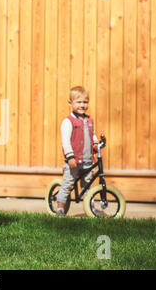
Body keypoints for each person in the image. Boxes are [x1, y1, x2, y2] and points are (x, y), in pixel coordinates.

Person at [57, 86, 99, 216]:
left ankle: (91, 208)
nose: (82, 105)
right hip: (74, 161)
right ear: (70, 103)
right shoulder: (68, 122)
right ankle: (60, 208)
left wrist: (96, 144)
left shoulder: (89, 120)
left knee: (87, 186)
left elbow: (92, 135)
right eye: (78, 102)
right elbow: (66, 141)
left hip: (87, 160)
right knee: (67, 184)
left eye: (85, 102)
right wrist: (70, 157)